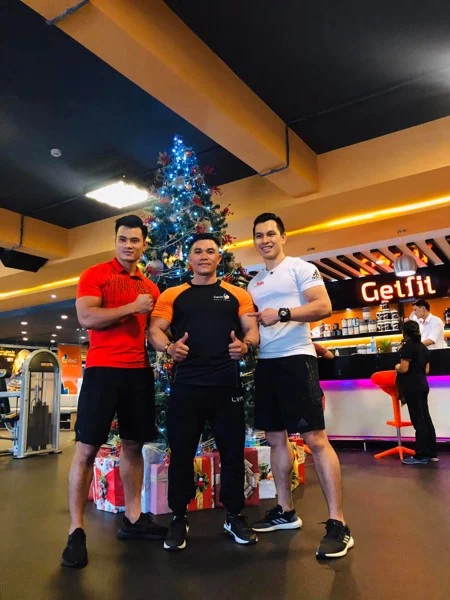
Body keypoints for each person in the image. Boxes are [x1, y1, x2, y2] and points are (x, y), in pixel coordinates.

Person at [61, 215, 167, 569]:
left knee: (133, 445)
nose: (128, 245)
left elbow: (153, 332)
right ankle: (76, 531)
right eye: (123, 239)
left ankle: (133, 518)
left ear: (143, 245)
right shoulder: (96, 274)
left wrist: (173, 345)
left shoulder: (150, 288)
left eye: (135, 240)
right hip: (102, 371)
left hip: (138, 372)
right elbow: (87, 318)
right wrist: (132, 307)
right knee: (86, 449)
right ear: (115, 240)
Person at [247, 212, 354, 560]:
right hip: (266, 364)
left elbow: (323, 306)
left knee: (315, 440)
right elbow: (254, 327)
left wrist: (282, 313)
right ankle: (285, 510)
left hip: (296, 359)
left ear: (283, 237)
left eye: (271, 234)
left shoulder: (300, 268)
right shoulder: (254, 284)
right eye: (259, 235)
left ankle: (338, 524)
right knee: (275, 438)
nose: (265, 240)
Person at [148, 233, 259, 551]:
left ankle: (234, 515)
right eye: (198, 251)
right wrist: (169, 347)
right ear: (190, 258)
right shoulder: (173, 294)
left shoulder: (238, 294)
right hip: (187, 386)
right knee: (181, 454)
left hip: (227, 386)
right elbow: (154, 330)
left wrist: (245, 345)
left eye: (211, 251)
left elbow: (252, 330)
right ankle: (178, 517)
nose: (204, 255)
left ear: (218, 258)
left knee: (233, 454)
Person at [395, 320, 438, 464]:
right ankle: (432, 453)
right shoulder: (423, 347)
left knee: (418, 421)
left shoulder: (408, 347)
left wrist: (397, 366)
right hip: (423, 385)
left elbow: (404, 368)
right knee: (426, 418)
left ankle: (420, 455)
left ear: (404, 333)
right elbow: (427, 370)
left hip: (412, 387)